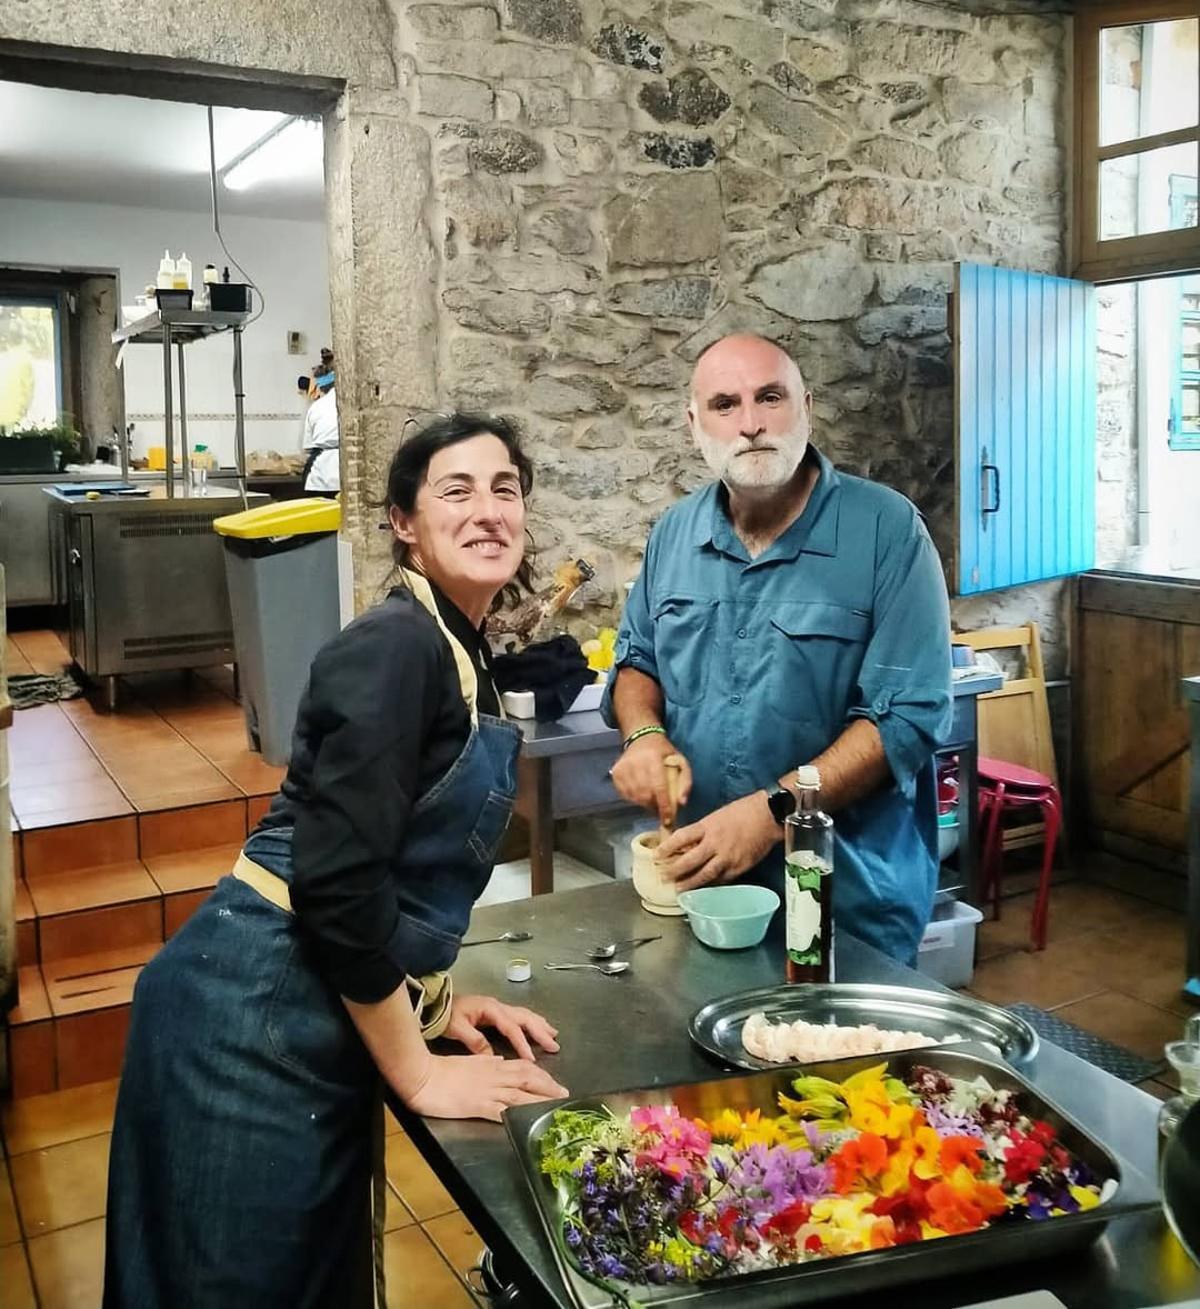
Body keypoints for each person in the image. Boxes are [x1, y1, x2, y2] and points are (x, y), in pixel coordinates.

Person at [104, 413, 567, 1308]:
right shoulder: (393, 644)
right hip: (249, 1019)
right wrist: (421, 1069)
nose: (487, 511)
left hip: (307, 1003)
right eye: (456, 491)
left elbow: (385, 861)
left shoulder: (457, 643)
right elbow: (336, 881)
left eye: (504, 489)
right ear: (403, 521)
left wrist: (430, 997)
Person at [604, 333, 951, 963]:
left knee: (833, 1058)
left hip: (844, 898)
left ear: (806, 406)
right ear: (693, 423)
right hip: (707, 888)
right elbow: (636, 663)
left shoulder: (887, 532)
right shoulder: (674, 535)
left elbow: (904, 720)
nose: (752, 424)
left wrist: (773, 813)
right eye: (725, 405)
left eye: (770, 397)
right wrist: (642, 735)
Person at [301, 353, 339, 495]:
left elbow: (308, 447)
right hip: (347, 474)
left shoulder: (316, 408)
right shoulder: (351, 404)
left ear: (319, 387)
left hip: (319, 478)